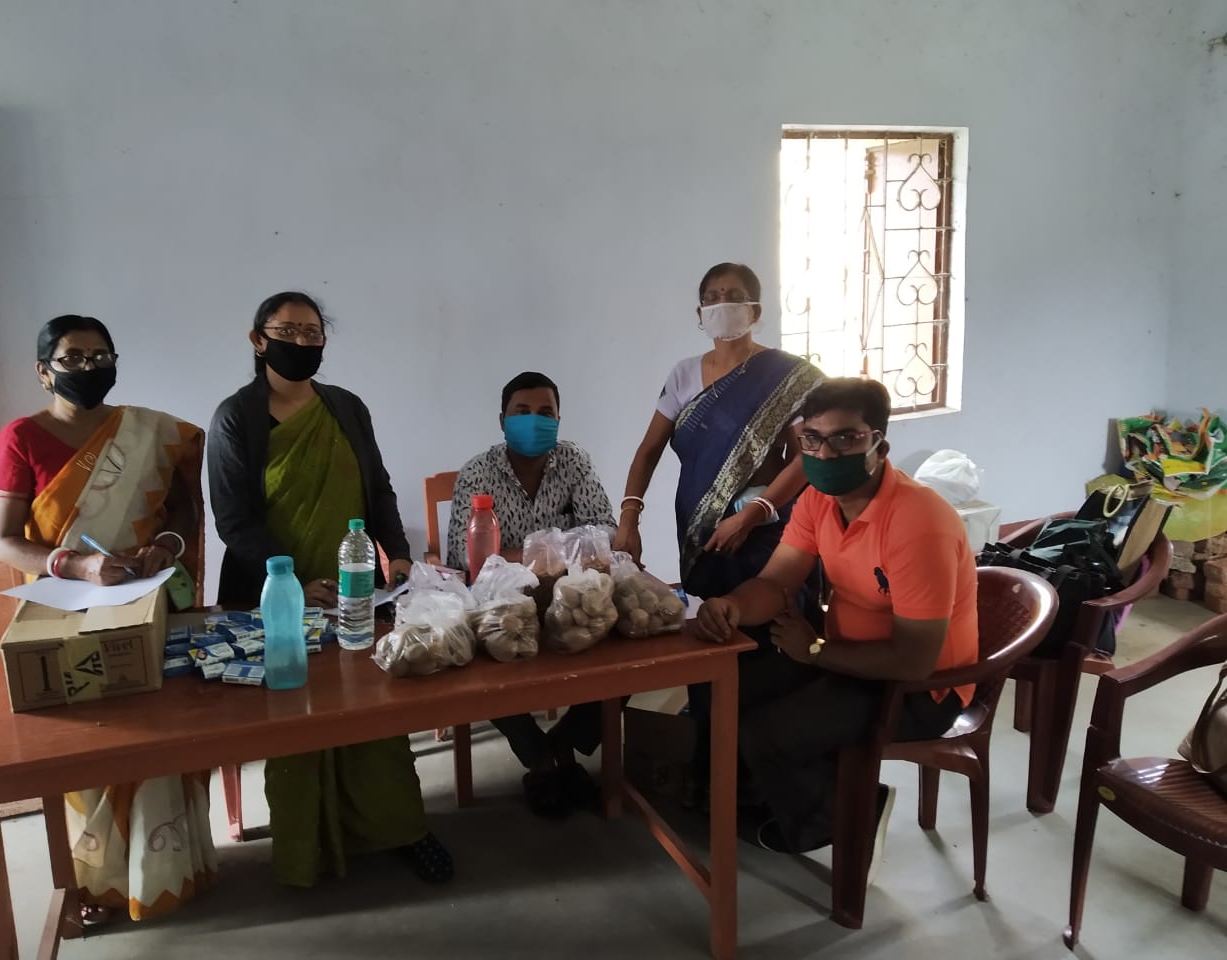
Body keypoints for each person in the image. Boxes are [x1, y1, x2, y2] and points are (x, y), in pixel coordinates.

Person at [207, 291, 452, 886]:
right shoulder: (236, 418)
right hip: (279, 595)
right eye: (287, 331)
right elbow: (233, 520)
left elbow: (378, 488)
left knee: (375, 712)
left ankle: (403, 829)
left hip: (357, 590)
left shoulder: (345, 407)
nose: (301, 342)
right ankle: (307, 845)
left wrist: (397, 553)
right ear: (258, 340)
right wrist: (290, 578)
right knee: (297, 721)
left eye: (313, 332)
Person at [695, 377, 978, 865]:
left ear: (878, 444)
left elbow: (913, 661)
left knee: (771, 732)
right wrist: (733, 606)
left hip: (922, 688)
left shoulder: (918, 524)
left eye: (845, 438)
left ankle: (849, 817)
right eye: (812, 439)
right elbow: (776, 582)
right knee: (729, 684)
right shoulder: (818, 501)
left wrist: (815, 651)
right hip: (846, 658)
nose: (824, 454)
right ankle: (768, 801)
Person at [0, 314, 212, 922]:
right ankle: (98, 884)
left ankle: (169, 871)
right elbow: (3, 542)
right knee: (92, 748)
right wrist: (78, 566)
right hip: (67, 614)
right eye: (72, 358)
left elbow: (182, 514)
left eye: (99, 357)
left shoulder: (152, 433)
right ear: (44, 372)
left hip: (146, 606)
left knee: (163, 732)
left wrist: (165, 546)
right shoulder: (22, 437)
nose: (88, 368)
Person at [615, 262, 824, 807]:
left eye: (733, 295)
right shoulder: (684, 375)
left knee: (765, 641)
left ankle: (759, 777)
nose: (721, 303)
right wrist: (629, 517)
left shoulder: (790, 377)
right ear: (699, 312)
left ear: (755, 310)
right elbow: (648, 451)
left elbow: (807, 456)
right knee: (711, 634)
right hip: (699, 530)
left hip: (766, 532)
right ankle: (710, 767)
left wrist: (755, 512)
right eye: (712, 296)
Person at [446, 371, 617, 817]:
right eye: (521, 412)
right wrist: (554, 550)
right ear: (502, 420)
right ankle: (538, 756)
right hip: (501, 604)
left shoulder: (574, 461)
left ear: (559, 419)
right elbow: (465, 558)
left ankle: (565, 741)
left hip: (570, 598)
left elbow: (606, 531)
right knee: (480, 655)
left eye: (545, 412)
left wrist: (527, 555)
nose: (534, 421)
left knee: (626, 650)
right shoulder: (478, 472)